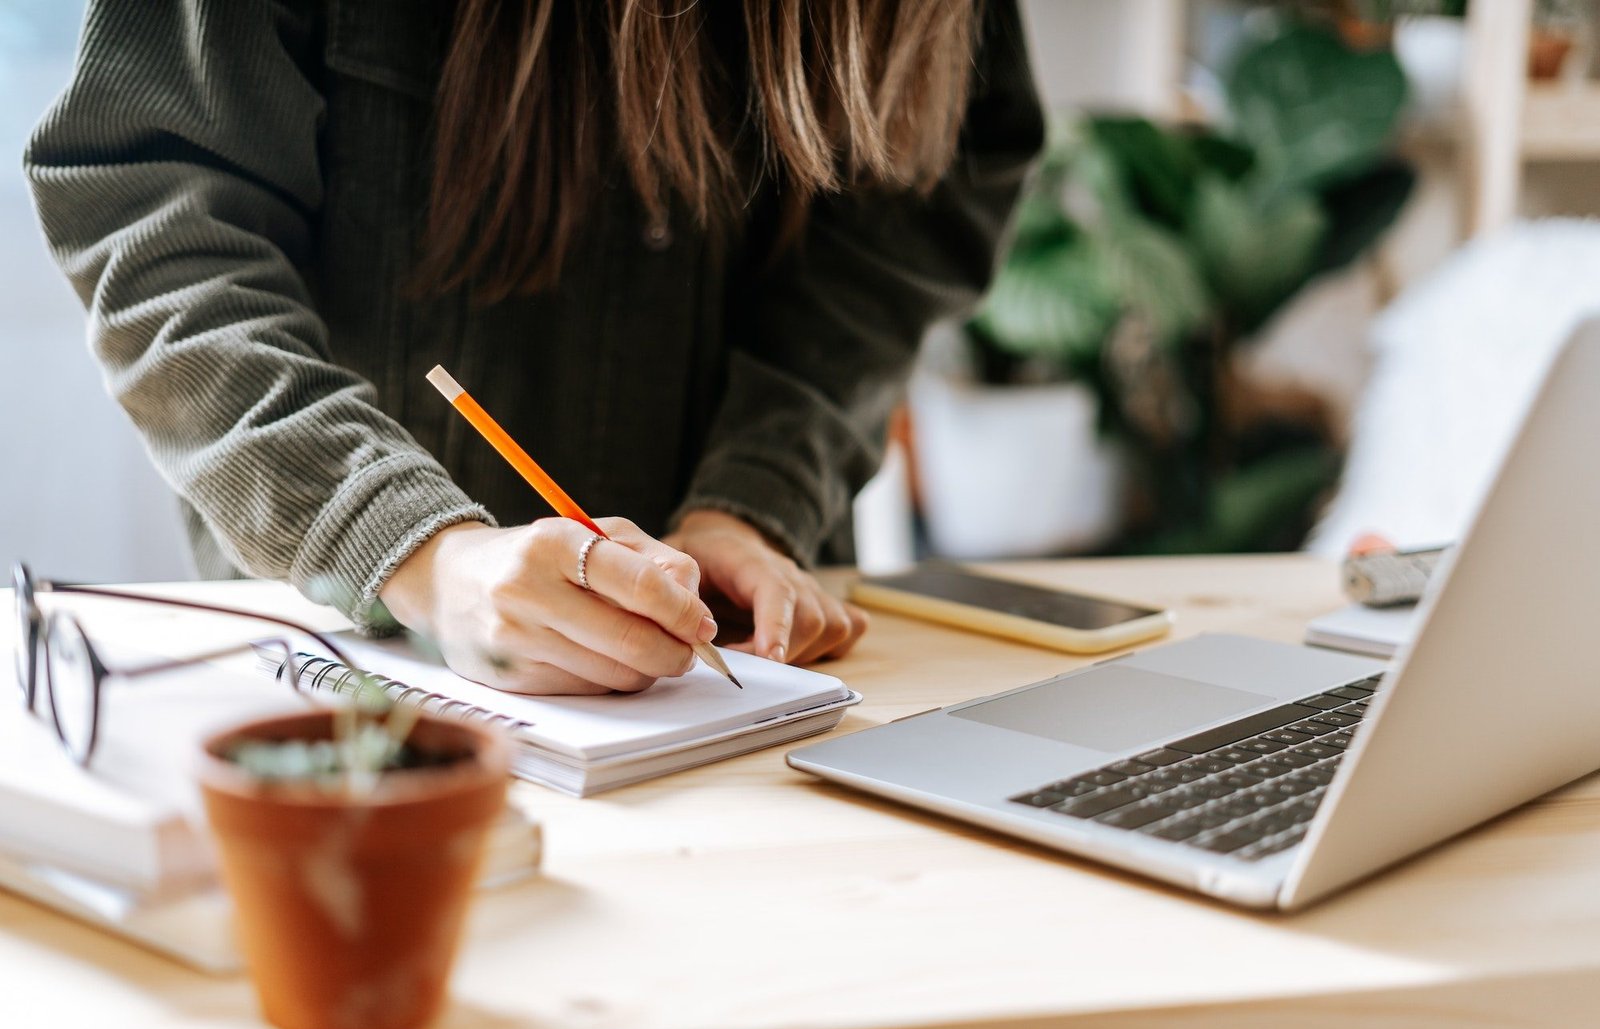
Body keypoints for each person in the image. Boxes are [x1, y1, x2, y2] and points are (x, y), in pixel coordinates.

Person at [26, 0, 1043, 695]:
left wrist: (758, 494)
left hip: (738, 666)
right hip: (351, 658)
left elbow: (915, 211)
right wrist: (418, 550)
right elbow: (155, 218)